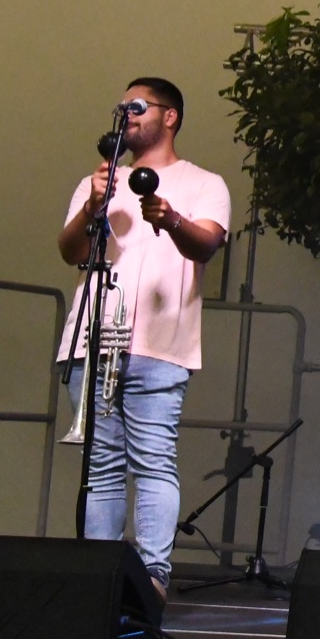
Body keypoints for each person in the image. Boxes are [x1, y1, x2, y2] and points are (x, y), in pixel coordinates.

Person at [56, 78, 231, 602]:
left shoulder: (204, 183)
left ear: (169, 116)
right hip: (92, 341)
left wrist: (171, 218)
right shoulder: (99, 182)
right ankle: (98, 577)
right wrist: (92, 206)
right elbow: (70, 252)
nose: (126, 115)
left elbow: (206, 244)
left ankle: (152, 578)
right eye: (122, 107)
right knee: (101, 466)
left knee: (153, 462)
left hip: (159, 346)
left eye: (137, 106)